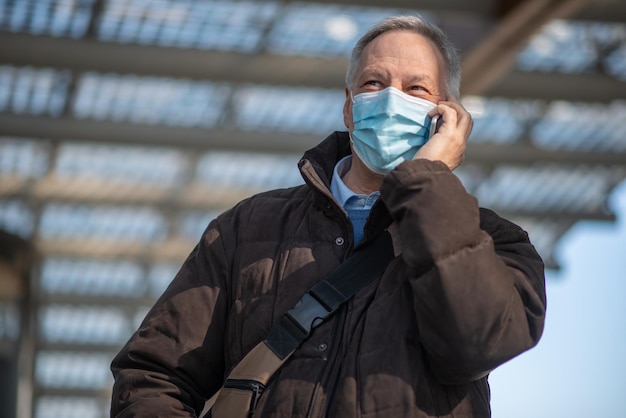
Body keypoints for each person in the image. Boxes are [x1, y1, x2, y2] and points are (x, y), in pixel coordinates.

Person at [110, 15, 546, 418]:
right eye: (374, 83)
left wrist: (428, 180)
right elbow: (153, 375)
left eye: (416, 89)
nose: (391, 100)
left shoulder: (495, 242)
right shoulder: (245, 228)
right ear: (348, 105)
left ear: (449, 115)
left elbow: (478, 343)